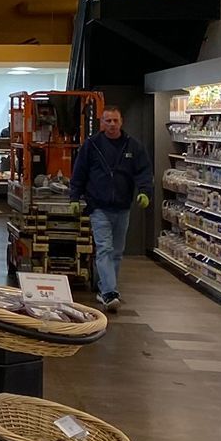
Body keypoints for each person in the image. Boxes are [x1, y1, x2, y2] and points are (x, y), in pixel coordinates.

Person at [68, 106, 153, 314]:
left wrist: (144, 192)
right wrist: (74, 196)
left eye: (115, 120)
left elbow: (143, 171)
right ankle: (109, 292)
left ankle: (105, 289)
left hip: (123, 207)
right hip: (99, 207)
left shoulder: (133, 146)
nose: (112, 124)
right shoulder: (91, 146)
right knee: (104, 249)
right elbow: (79, 172)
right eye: (108, 121)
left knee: (116, 252)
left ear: (121, 121)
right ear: (101, 123)